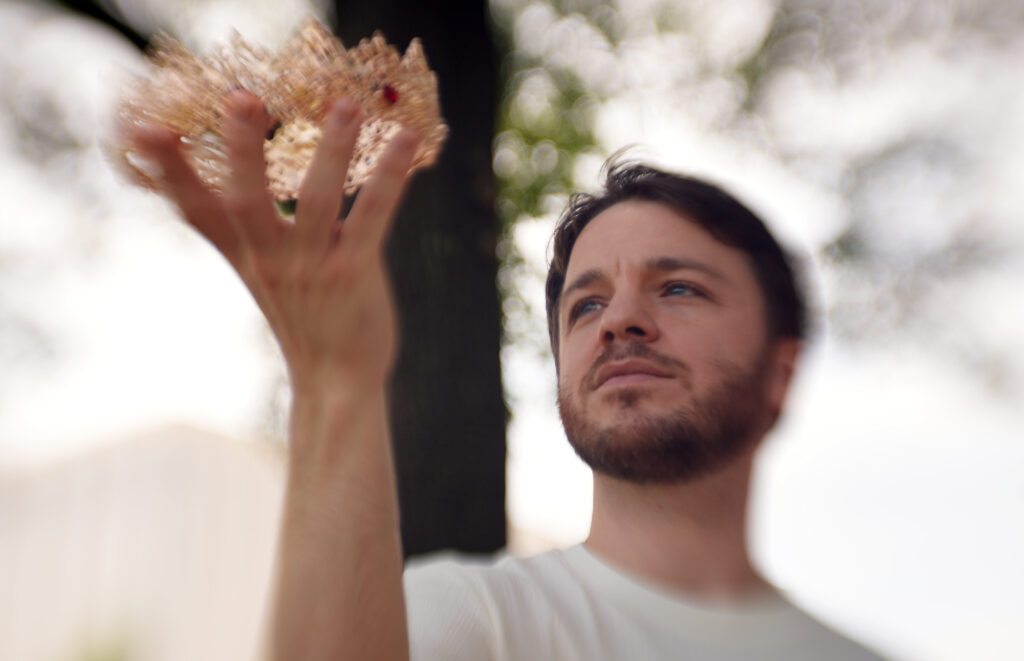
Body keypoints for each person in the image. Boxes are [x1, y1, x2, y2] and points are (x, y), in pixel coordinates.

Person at [130, 90, 885, 660]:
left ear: (781, 372)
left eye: (679, 287)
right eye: (585, 303)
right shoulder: (469, 617)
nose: (619, 320)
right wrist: (335, 384)